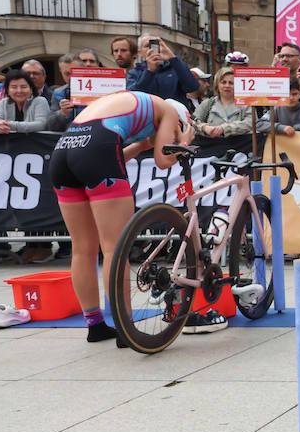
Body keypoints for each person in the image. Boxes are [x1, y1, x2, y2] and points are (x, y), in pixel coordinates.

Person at [49, 90, 194, 342]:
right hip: (96, 150)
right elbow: (162, 159)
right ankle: (125, 330)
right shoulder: (168, 109)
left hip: (64, 152)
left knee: (82, 249)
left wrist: (140, 146)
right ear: (178, 123)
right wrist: (183, 143)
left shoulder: (128, 103)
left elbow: (104, 157)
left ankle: (95, 325)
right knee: (115, 248)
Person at [126, 34, 197, 107]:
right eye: (147, 46)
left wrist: (173, 58)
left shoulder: (174, 67)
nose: (152, 49)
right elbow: (134, 96)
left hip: (174, 115)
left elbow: (192, 86)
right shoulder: (135, 72)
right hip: (149, 116)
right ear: (140, 52)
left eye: (156, 45)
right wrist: (149, 71)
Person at [194, 68, 253, 137]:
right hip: (211, 145)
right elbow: (192, 121)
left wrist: (224, 128)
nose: (227, 86)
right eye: (223, 82)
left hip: (240, 146)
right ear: (217, 85)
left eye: (231, 83)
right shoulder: (208, 103)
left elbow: (250, 123)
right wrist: (204, 127)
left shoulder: (245, 104)